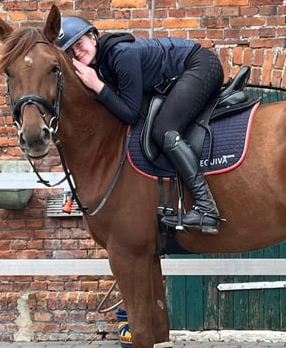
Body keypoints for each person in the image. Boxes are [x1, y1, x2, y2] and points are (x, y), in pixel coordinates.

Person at [56, 15, 224, 234]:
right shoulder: (101, 64)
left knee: (164, 131)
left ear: (93, 38)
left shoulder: (121, 55)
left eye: (80, 44)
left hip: (199, 65)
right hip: (178, 77)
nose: (77, 53)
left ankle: (206, 208)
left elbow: (131, 113)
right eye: (70, 52)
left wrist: (98, 87)